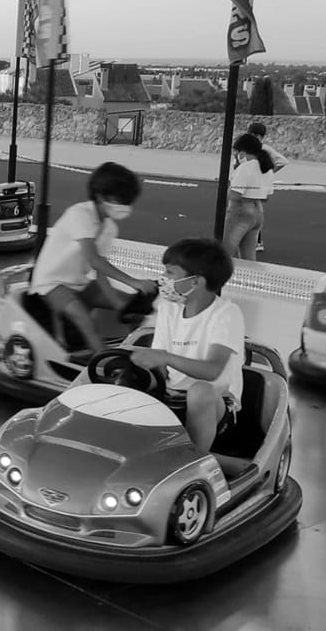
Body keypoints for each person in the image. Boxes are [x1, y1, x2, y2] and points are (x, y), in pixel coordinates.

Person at [130, 238, 246, 454]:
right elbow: (159, 364)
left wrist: (165, 357)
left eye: (170, 273)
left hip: (216, 406)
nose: (163, 279)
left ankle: (193, 461)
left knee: (199, 391)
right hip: (172, 397)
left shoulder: (226, 314)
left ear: (196, 282)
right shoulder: (169, 308)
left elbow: (212, 371)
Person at [28, 162, 159, 353]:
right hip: (50, 284)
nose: (125, 206)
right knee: (86, 321)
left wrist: (121, 305)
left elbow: (99, 272)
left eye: (127, 201)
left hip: (79, 284)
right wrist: (135, 282)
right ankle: (102, 368)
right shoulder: (79, 214)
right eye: (120, 199)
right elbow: (94, 259)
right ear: (100, 196)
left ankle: (139, 358)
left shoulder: (109, 228)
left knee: (135, 310)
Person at [221, 133, 274, 262]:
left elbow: (234, 194)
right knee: (248, 258)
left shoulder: (245, 168)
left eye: (236, 152)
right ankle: (250, 281)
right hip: (258, 212)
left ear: (243, 152)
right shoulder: (267, 168)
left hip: (240, 211)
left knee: (225, 254)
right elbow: (266, 197)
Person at [247, 123, 287, 255]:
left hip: (255, 186)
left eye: (251, 134)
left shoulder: (264, 149)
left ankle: (257, 241)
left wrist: (267, 173)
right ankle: (254, 241)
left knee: (253, 211)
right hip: (250, 183)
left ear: (258, 136)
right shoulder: (249, 149)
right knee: (252, 210)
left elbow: (282, 161)